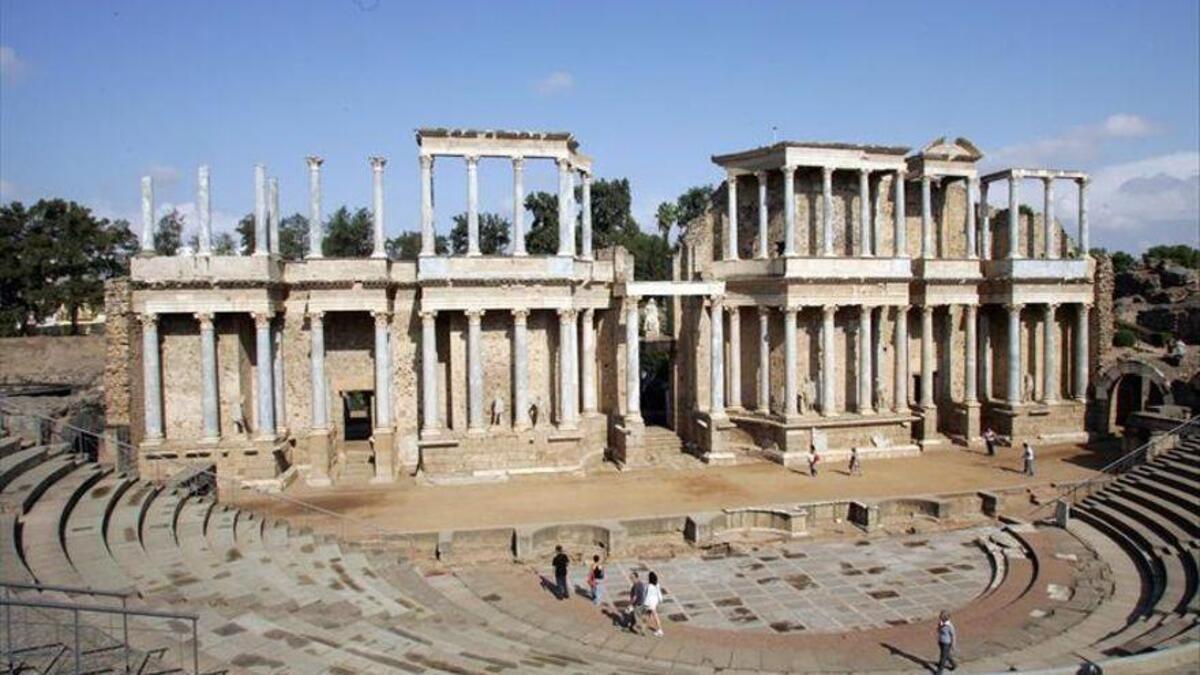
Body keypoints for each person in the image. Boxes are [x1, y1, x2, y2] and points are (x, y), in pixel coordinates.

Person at [644, 571, 664, 637]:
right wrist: (660, 599)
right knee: (649, 614)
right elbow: (658, 592)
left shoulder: (649, 586)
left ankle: (660, 630)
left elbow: (647, 596)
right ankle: (648, 625)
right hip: (655, 601)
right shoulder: (657, 584)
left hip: (650, 602)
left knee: (655, 615)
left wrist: (645, 603)